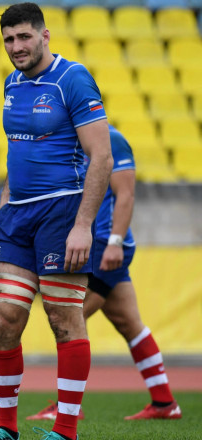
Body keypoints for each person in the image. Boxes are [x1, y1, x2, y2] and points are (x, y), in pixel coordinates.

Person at [0, 4, 112, 440]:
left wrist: (84, 225)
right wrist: (7, 199)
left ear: (44, 35)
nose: (16, 48)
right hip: (17, 214)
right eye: (9, 40)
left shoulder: (73, 78)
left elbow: (101, 158)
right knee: (5, 318)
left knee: (63, 318)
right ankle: (6, 431)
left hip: (62, 212)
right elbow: (20, 149)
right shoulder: (11, 83)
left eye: (24, 37)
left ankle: (65, 435)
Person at [26, 126, 181, 421]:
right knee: (129, 323)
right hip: (92, 244)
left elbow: (125, 195)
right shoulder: (65, 140)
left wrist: (115, 242)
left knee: (70, 316)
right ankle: (165, 403)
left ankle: (67, 407)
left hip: (104, 245)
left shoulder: (111, 139)